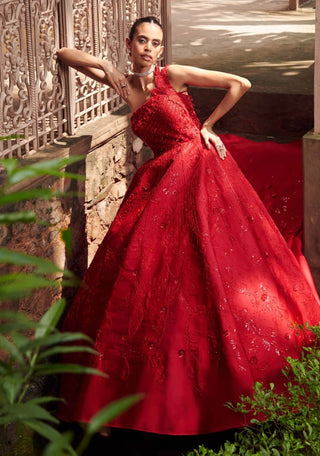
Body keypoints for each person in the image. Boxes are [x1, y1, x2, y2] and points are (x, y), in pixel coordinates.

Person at [57, 16, 320, 435]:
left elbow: (240, 84)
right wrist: (108, 70)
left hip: (197, 167)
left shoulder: (171, 75)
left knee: (215, 261)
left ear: (162, 50)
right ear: (129, 44)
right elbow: (64, 54)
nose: (149, 48)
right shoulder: (124, 86)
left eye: (155, 43)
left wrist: (207, 127)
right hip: (160, 179)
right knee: (149, 272)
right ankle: (119, 398)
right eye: (141, 40)